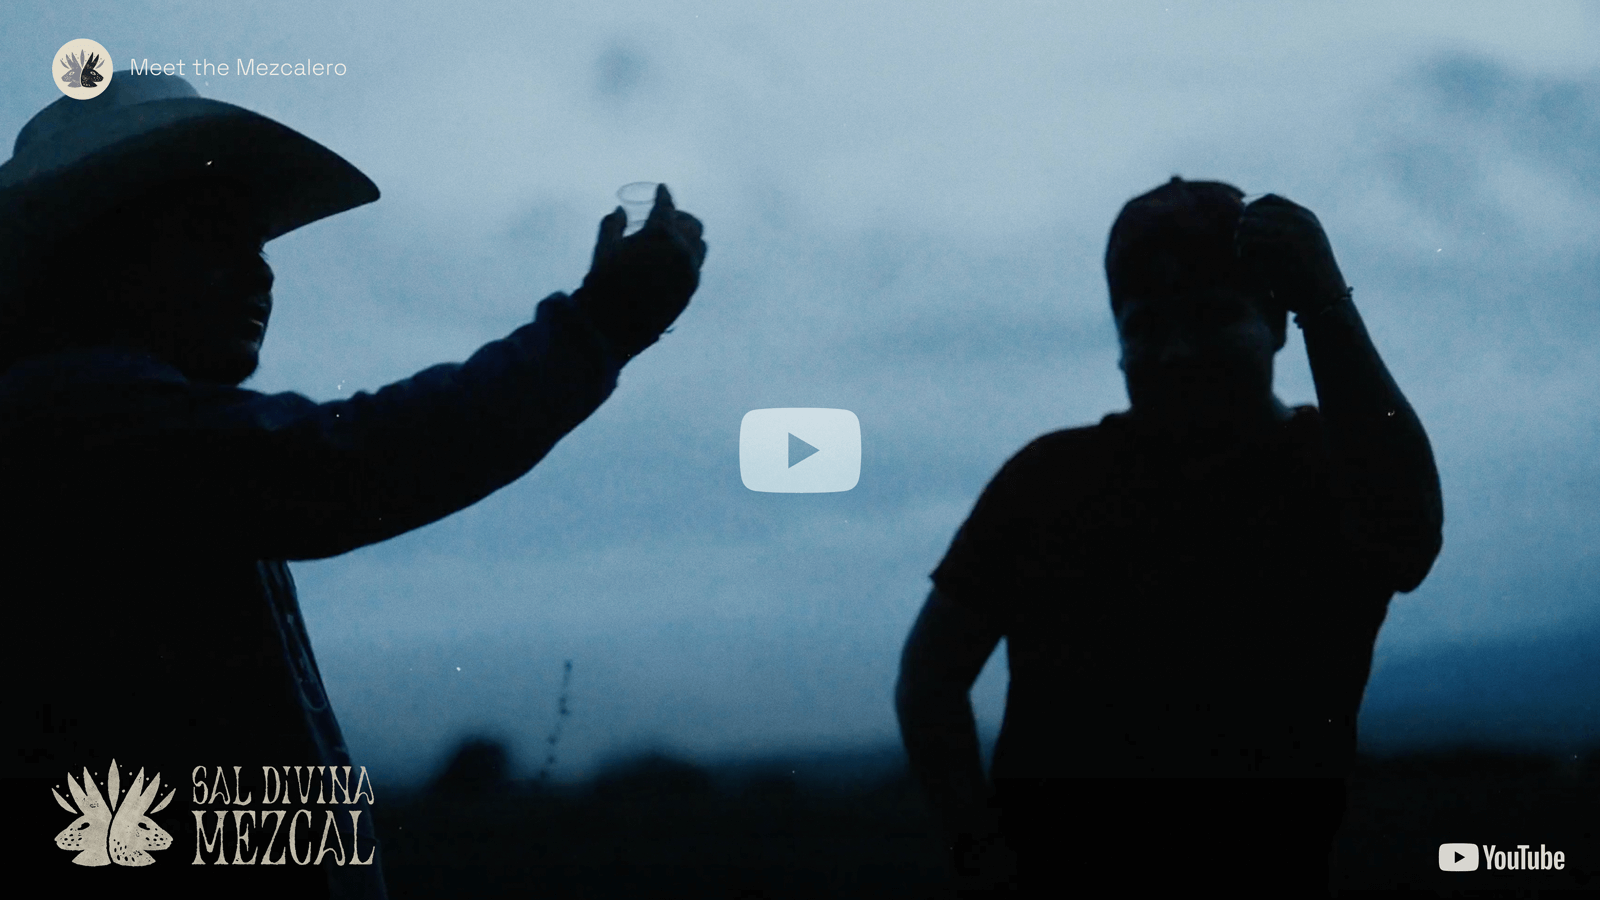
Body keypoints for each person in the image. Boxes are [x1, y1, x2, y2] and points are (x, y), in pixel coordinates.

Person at [0, 72, 705, 897]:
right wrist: (600, 327)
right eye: (213, 233)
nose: (261, 275)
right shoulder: (72, 417)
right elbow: (350, 462)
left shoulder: (118, 428)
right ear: (105, 259)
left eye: (258, 244)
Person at [895, 177, 1442, 897]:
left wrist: (1325, 301)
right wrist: (982, 855)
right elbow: (930, 679)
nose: (1177, 352)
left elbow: (1409, 536)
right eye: (1146, 326)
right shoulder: (1046, 480)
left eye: (1212, 316)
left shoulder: (1326, 468)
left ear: (1278, 326)